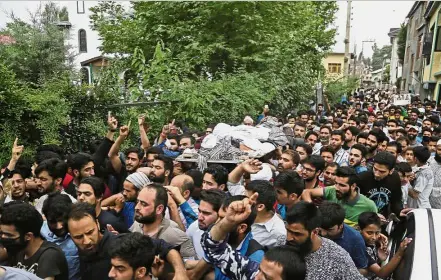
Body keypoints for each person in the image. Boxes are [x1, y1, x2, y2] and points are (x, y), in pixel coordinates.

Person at [201, 193, 307, 280]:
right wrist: (228, 222)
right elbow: (214, 249)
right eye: (260, 270)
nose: (257, 278)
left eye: (267, 278)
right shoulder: (251, 274)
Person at [284, 201, 365, 279]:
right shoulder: (281, 242)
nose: (288, 238)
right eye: (288, 230)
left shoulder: (337, 257)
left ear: (315, 232)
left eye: (297, 234)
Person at [0, 201, 69, 279]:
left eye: (9, 235)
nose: (3, 237)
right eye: (2, 233)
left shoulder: (50, 255)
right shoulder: (18, 249)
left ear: (28, 236)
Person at [129, 184, 196, 259]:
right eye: (137, 202)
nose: (137, 207)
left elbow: (190, 268)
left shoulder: (177, 237)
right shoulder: (137, 224)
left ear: (159, 209)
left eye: (144, 204)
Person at [302, 166, 377, 227]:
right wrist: (312, 209)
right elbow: (306, 192)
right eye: (336, 183)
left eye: (342, 185)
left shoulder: (369, 206)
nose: (337, 188)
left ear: (353, 186)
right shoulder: (332, 190)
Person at [67, 202, 116, 279]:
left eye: (90, 232)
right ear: (70, 236)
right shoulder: (80, 250)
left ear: (97, 224)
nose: (87, 241)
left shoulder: (118, 248)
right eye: (79, 237)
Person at [358, 212, 412, 279]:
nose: (374, 237)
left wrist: (379, 259)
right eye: (369, 233)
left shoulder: (372, 242)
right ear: (360, 230)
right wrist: (399, 253)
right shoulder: (359, 248)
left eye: (377, 233)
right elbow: (382, 274)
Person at [318, 202, 368, 273]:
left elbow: (362, 269)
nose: (323, 233)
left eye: (329, 230)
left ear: (340, 225)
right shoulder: (312, 226)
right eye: (320, 229)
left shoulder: (355, 239)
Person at [41, 193, 80, 280]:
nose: (59, 226)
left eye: (61, 220)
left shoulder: (81, 234)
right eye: (52, 222)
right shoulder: (39, 231)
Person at [357, 152, 403, 218]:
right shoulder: (363, 178)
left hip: (382, 218)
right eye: (375, 169)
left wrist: (399, 211)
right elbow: (356, 204)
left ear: (391, 171)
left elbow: (396, 200)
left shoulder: (394, 178)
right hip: (363, 217)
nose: (376, 174)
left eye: (382, 171)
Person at [245, 180, 286, 248]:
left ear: (260, 207)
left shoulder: (277, 232)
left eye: (246, 199)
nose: (242, 201)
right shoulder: (240, 212)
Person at [186, 189, 226, 259]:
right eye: (199, 211)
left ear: (220, 215)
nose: (200, 218)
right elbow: (187, 259)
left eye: (206, 213)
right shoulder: (194, 227)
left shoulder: (228, 237)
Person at [428, 139, 441, 209]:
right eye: (440, 149)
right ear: (436, 149)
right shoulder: (429, 161)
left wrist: (431, 190)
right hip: (427, 204)